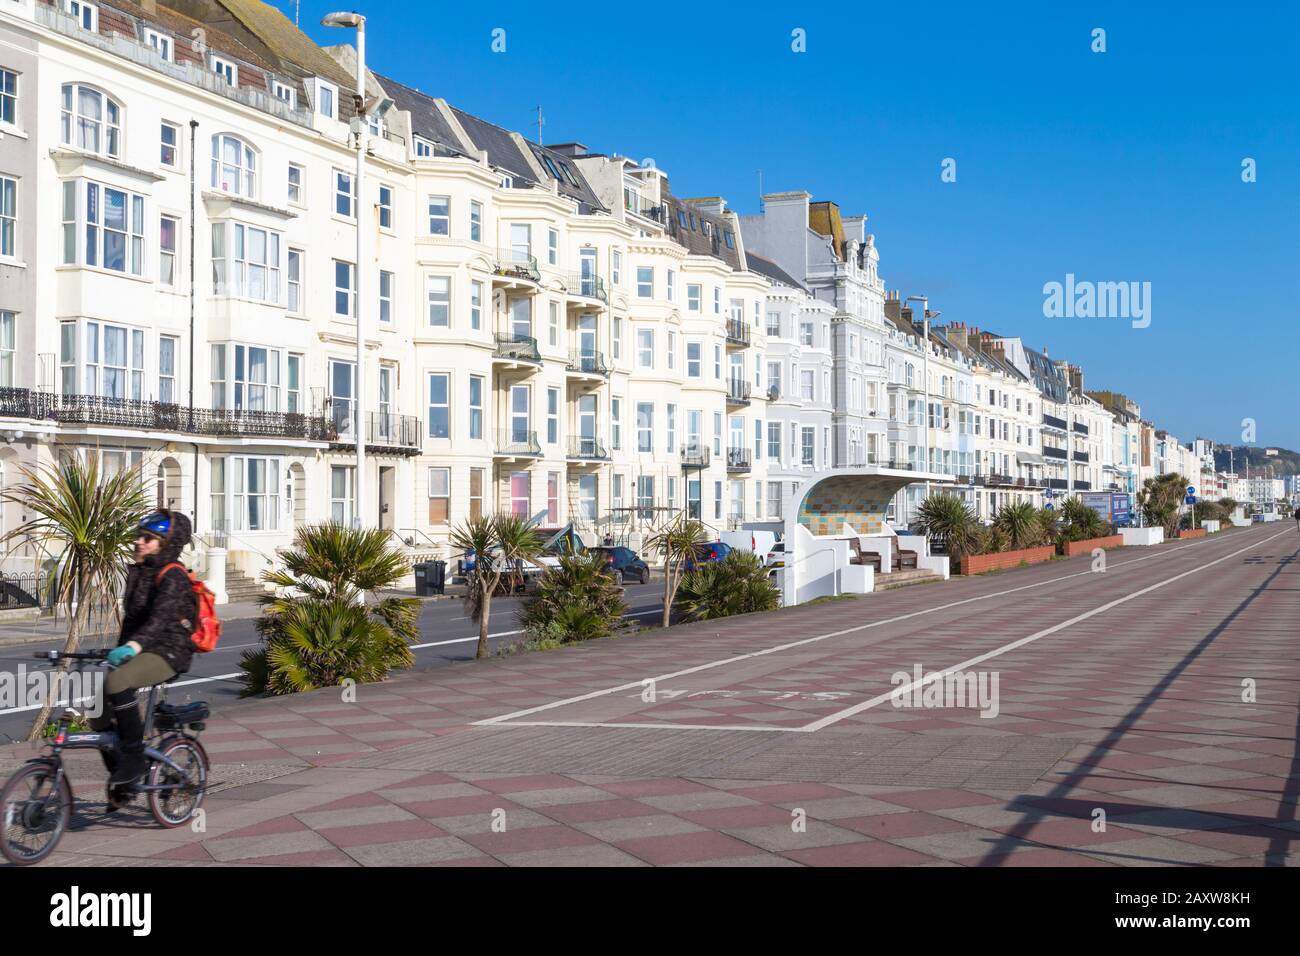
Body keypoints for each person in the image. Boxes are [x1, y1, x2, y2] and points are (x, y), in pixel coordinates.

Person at [89, 510, 197, 806]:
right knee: (97, 713)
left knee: (118, 682)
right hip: (143, 648)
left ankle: (134, 758)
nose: (138, 542)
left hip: (169, 651)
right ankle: (124, 782)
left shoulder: (173, 575)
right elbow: (133, 621)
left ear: (166, 544)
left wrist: (133, 648)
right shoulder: (141, 572)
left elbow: (160, 620)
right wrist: (118, 650)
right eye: (139, 536)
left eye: (147, 538)